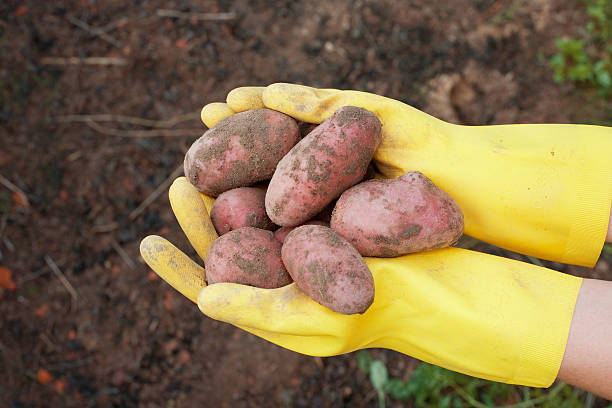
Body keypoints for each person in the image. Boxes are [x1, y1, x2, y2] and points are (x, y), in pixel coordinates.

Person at [140, 84, 612, 399]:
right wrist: (578, 190)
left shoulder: (320, 216)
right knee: (263, 216)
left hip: (332, 219)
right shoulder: (297, 219)